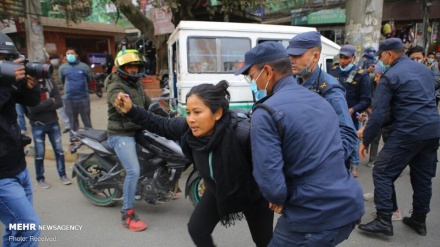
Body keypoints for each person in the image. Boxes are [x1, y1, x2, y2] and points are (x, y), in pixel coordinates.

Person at [113, 80, 274, 245]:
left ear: (217, 113)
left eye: (197, 112)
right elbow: (159, 124)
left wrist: (277, 195)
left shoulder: (243, 134)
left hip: (252, 196)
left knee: (264, 242)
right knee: (197, 229)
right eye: (188, 112)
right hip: (217, 190)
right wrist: (131, 110)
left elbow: (271, 166)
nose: (191, 119)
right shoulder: (188, 130)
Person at [236, 41, 363, 246]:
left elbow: (269, 177)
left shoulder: (266, 112)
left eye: (251, 76)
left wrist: (279, 197)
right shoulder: (318, 99)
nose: (253, 83)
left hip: (312, 216)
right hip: (348, 203)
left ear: (267, 71)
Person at [358, 38, 440, 236]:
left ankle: (384, 220)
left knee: (382, 171)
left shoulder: (390, 76)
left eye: (381, 56)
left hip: (408, 131)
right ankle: (419, 220)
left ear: (389, 54)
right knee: (422, 177)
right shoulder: (425, 70)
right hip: (432, 130)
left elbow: (378, 114)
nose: (380, 60)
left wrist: (366, 140)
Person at [286, 31, 358, 166]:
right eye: (289, 54)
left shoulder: (329, 90)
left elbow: (348, 135)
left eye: (297, 55)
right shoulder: (295, 81)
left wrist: (323, 164)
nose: (291, 59)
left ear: (315, 56)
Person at [0, 31, 41, 246]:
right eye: (0, 59)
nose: (6, 64)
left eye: (7, 58)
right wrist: (6, 83)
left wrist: (30, 86)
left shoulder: (5, 81)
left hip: (19, 168)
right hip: (1, 178)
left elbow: (32, 104)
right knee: (29, 228)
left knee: (16, 229)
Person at [105, 49, 150, 232]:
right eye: (130, 67)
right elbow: (119, 101)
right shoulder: (115, 86)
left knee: (163, 149)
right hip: (121, 134)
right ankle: (127, 214)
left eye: (136, 66)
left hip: (137, 129)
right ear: (121, 68)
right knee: (133, 170)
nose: (134, 70)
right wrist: (122, 102)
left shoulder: (137, 84)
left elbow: (149, 103)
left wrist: (166, 113)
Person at [357, 62, 402, 221]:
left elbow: (383, 115)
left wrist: (366, 132)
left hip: (398, 135)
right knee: (387, 173)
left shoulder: (391, 87)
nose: (376, 79)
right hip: (407, 134)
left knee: (384, 172)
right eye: (375, 76)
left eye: (378, 76)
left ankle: (391, 212)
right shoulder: (390, 85)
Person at [329, 44, 372, 178]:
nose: (342, 61)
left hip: (351, 115)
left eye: (346, 58)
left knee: (352, 141)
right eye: (341, 57)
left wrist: (352, 110)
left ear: (353, 58)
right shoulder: (333, 71)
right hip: (334, 115)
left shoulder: (361, 75)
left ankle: (354, 165)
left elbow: (366, 100)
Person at [26, 76, 72, 188]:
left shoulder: (50, 83)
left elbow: (59, 103)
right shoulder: (29, 86)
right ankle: (40, 178)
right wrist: (50, 101)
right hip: (37, 125)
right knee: (39, 154)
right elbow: (32, 110)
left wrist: (42, 106)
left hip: (53, 123)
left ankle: (63, 175)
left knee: (59, 151)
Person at [59, 47, 92, 143]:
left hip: (83, 97)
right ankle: (73, 138)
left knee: (86, 120)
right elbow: (62, 80)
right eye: (68, 54)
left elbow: (89, 79)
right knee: (72, 120)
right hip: (69, 98)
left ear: (76, 55)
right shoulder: (63, 67)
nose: (69, 55)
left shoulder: (84, 67)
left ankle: (90, 138)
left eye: (72, 53)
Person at [49, 53, 70, 133]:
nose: (54, 60)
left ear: (58, 59)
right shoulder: (49, 69)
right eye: (52, 59)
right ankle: (67, 125)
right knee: (61, 110)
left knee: (68, 108)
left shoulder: (63, 67)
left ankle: (72, 124)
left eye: (55, 58)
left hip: (66, 91)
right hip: (56, 93)